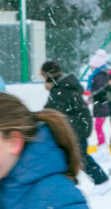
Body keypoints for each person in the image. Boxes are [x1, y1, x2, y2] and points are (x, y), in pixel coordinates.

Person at [40, 60, 111, 196]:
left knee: (79, 156)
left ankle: (101, 180)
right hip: (78, 124)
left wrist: (36, 117)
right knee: (72, 156)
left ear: (48, 75)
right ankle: (73, 184)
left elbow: (50, 110)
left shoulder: (60, 89)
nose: (43, 81)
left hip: (77, 126)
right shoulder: (63, 86)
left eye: (43, 77)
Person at [87, 49, 110, 162]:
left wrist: (91, 98)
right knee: (98, 127)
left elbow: (101, 91)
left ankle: (102, 147)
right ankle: (102, 146)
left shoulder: (100, 76)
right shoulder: (100, 75)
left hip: (102, 104)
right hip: (101, 104)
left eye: (92, 65)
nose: (91, 68)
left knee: (98, 127)